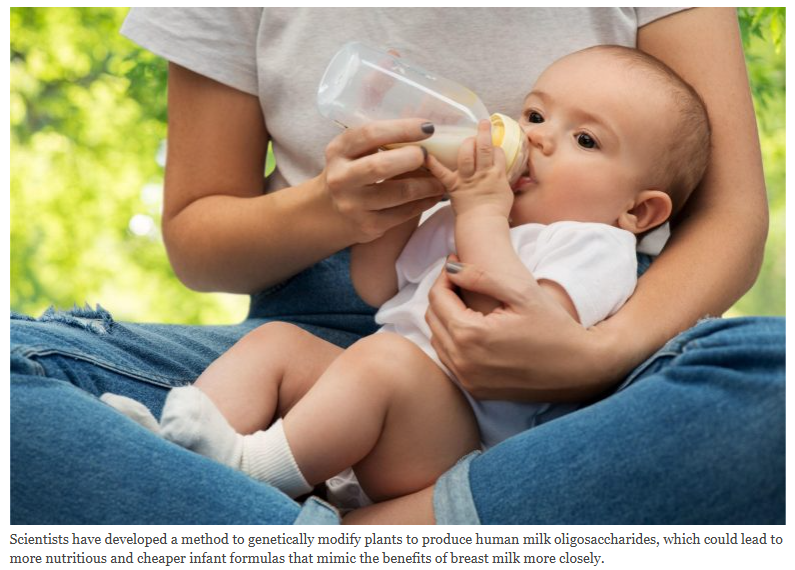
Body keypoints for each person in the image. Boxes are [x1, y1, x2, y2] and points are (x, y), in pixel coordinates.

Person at [11, 8, 783, 525]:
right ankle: (181, 452)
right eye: (539, 115)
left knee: (770, 385)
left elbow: (497, 324)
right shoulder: (472, 214)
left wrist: (484, 215)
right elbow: (379, 287)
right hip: (343, 339)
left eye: (585, 141)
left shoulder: (592, 246)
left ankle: (252, 484)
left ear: (638, 211)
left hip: (482, 416)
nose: (540, 138)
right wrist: (364, 214)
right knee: (277, 350)